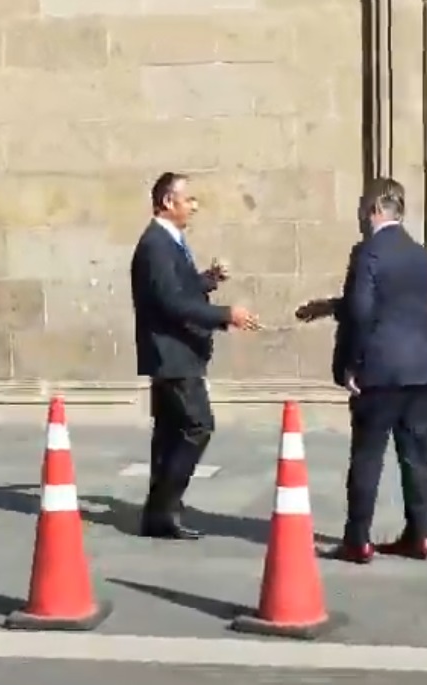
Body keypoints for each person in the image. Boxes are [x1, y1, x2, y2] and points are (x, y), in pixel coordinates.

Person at [296, 177, 427, 564]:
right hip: (423, 368)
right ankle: (420, 534)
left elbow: (364, 310)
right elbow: (393, 304)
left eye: (363, 208)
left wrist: (350, 365)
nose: (361, 216)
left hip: (380, 371)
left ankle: (357, 539)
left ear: (376, 209)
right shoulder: (419, 253)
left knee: (367, 455)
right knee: (416, 456)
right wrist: (329, 306)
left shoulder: (367, 253)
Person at [130, 172, 261, 540]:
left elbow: (178, 289)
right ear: (168, 202)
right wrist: (226, 315)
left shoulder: (169, 242)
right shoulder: (156, 244)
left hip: (176, 352)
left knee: (170, 432)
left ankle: (161, 509)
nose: (195, 206)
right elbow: (171, 302)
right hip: (172, 353)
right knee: (197, 426)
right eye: (189, 199)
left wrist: (207, 279)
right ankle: (162, 509)